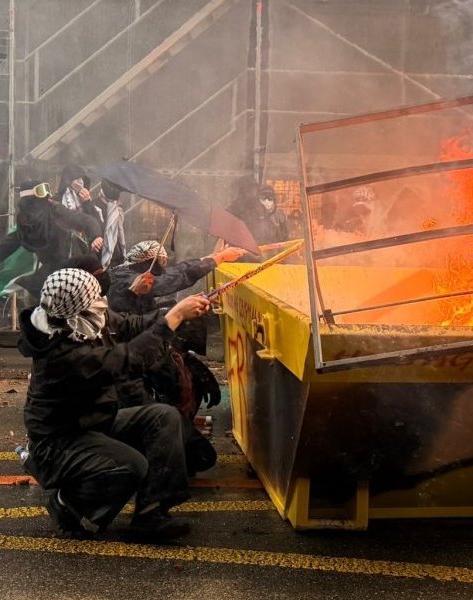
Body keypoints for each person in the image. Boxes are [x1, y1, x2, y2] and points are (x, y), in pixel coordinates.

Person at [18, 268, 211, 540]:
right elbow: (129, 359)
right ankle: (70, 508)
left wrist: (178, 311)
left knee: (163, 417)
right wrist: (174, 317)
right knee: (132, 465)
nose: (103, 302)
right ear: (79, 309)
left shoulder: (81, 322)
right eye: (95, 297)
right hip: (57, 445)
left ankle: (150, 513)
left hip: (91, 423)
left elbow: (130, 325)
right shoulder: (62, 355)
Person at [0, 180, 103, 300]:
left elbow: (86, 221)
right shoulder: (25, 224)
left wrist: (96, 236)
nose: (47, 198)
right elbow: (2, 250)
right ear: (29, 200)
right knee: (39, 294)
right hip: (52, 270)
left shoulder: (55, 210)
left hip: (75, 266)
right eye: (42, 192)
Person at [107, 240, 246, 316]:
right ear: (149, 261)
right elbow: (173, 277)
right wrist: (219, 258)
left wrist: (211, 257)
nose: (163, 266)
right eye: (160, 261)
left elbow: (177, 270)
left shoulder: (127, 270)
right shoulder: (131, 279)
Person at [229, 183, 288, 247]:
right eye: (263, 198)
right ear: (258, 199)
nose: (267, 201)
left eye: (270, 198)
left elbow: (284, 237)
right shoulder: (251, 214)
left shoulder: (279, 215)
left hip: (276, 249)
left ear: (274, 200)